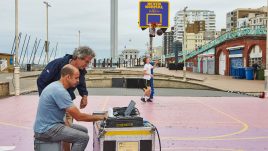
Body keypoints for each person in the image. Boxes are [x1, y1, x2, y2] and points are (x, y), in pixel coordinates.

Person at [34, 64, 107, 151]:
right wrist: (101, 117)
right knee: (83, 138)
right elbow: (78, 117)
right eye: (76, 78)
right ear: (68, 77)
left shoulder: (56, 86)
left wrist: (65, 123)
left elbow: (57, 112)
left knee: (83, 130)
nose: (78, 81)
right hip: (47, 130)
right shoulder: (60, 91)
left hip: (50, 125)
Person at [37, 46, 95, 150]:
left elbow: (81, 83)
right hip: (54, 107)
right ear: (77, 57)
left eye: (89, 62)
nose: (87, 65)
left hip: (67, 103)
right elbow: (41, 81)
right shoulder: (57, 64)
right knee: (76, 136)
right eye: (86, 62)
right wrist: (47, 100)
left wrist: (84, 95)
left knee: (70, 133)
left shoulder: (81, 70)